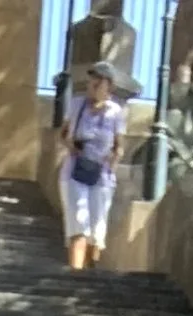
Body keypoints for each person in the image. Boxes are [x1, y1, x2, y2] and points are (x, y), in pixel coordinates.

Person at [57, 58, 126, 268]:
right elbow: (63, 134)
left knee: (97, 230)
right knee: (79, 222)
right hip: (75, 171)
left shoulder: (115, 112)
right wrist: (71, 146)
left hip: (101, 175)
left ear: (110, 86)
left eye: (99, 81)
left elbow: (119, 146)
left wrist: (113, 162)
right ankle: (76, 274)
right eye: (92, 80)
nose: (93, 85)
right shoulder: (77, 105)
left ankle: (89, 271)